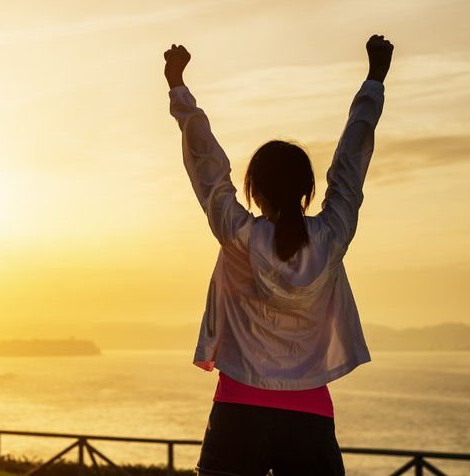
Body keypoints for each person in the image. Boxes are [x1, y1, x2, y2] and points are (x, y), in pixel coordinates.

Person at [164, 34, 394, 476]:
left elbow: (207, 165)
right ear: (308, 191)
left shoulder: (238, 235)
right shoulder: (331, 237)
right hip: (310, 415)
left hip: (238, 410)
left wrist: (178, 87)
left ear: (254, 190)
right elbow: (351, 163)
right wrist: (374, 80)